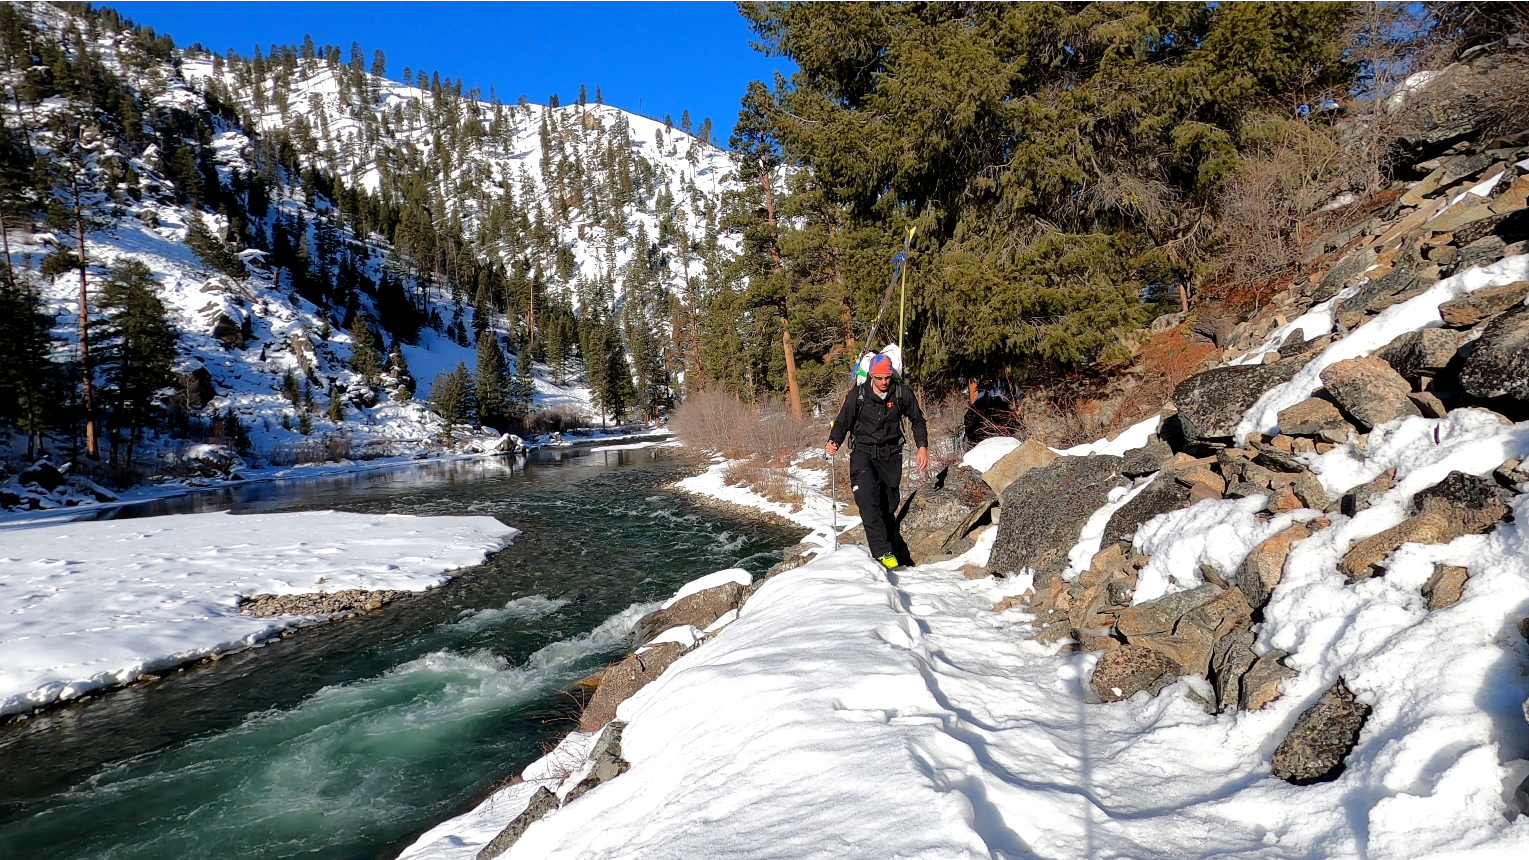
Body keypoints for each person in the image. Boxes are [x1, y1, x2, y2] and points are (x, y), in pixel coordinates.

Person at [825, 354, 929, 570]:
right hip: (863, 454)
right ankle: (883, 553)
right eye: (880, 378)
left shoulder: (901, 393)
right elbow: (843, 421)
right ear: (872, 375)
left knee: (888, 505)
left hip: (891, 455)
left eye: (887, 378)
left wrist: (922, 447)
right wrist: (833, 441)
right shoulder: (858, 395)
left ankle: (889, 545)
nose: (884, 382)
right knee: (866, 497)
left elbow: (917, 420)